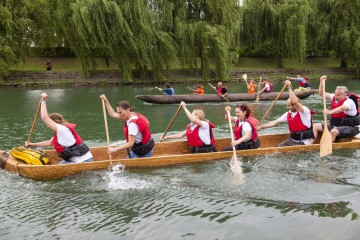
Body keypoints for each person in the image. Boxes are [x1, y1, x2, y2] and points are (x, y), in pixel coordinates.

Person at [25, 93, 93, 164]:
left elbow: (45, 117)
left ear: (53, 123)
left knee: (55, 170)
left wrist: (43, 100)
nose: (48, 126)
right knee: (58, 166)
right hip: (72, 160)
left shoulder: (62, 129)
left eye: (49, 124)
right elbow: (50, 142)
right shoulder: (58, 133)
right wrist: (32, 144)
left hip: (84, 161)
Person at [257, 80, 315, 146]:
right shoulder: (288, 114)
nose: (287, 107)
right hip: (292, 140)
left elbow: (295, 102)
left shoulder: (304, 111)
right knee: (276, 149)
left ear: (294, 105)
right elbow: (274, 122)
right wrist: (261, 127)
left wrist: (289, 88)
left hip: (303, 142)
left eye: (288, 105)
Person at [312, 75, 360, 143]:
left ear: (345, 95)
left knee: (333, 132)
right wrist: (321, 82)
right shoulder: (333, 97)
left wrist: (329, 112)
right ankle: (309, 146)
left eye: (338, 95)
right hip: (335, 125)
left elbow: (342, 108)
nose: (336, 96)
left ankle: (329, 149)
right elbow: (321, 93)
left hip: (351, 128)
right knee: (314, 126)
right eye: (335, 94)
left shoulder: (349, 102)